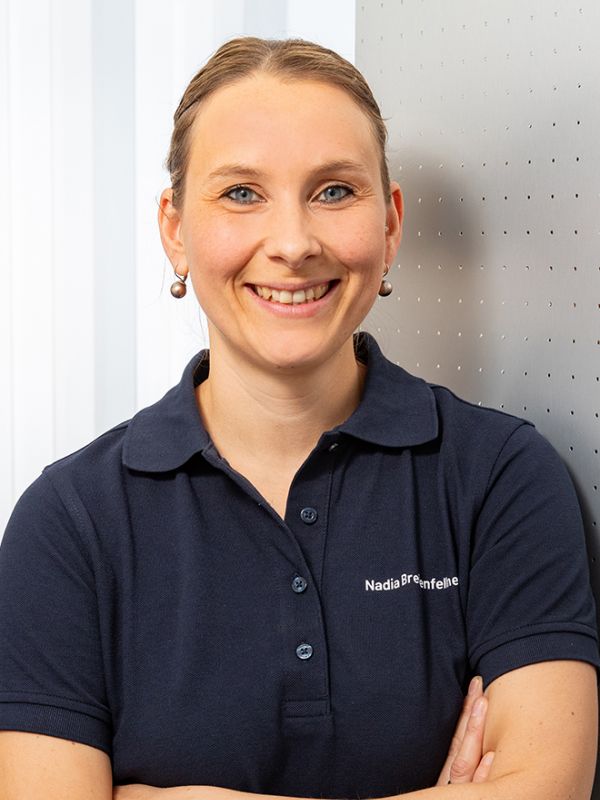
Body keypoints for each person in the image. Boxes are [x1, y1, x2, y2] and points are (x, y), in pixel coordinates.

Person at [0, 36, 598, 800]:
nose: (292, 244)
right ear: (175, 230)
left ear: (390, 223)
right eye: (241, 193)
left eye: (334, 191)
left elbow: (546, 789)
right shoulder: (69, 523)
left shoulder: (501, 478)